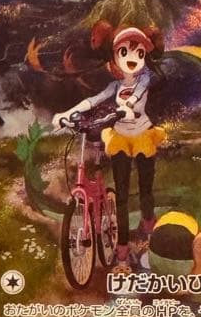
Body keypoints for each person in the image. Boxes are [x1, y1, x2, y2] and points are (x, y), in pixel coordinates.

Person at [53, 22, 166, 270]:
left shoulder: (145, 77)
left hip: (143, 135)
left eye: (139, 52)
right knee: (122, 196)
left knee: (145, 189)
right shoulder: (115, 85)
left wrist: (128, 105)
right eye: (124, 52)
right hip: (121, 138)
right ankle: (122, 249)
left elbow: (139, 91)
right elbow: (94, 100)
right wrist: (68, 113)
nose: (132, 58)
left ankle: (149, 227)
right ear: (115, 56)